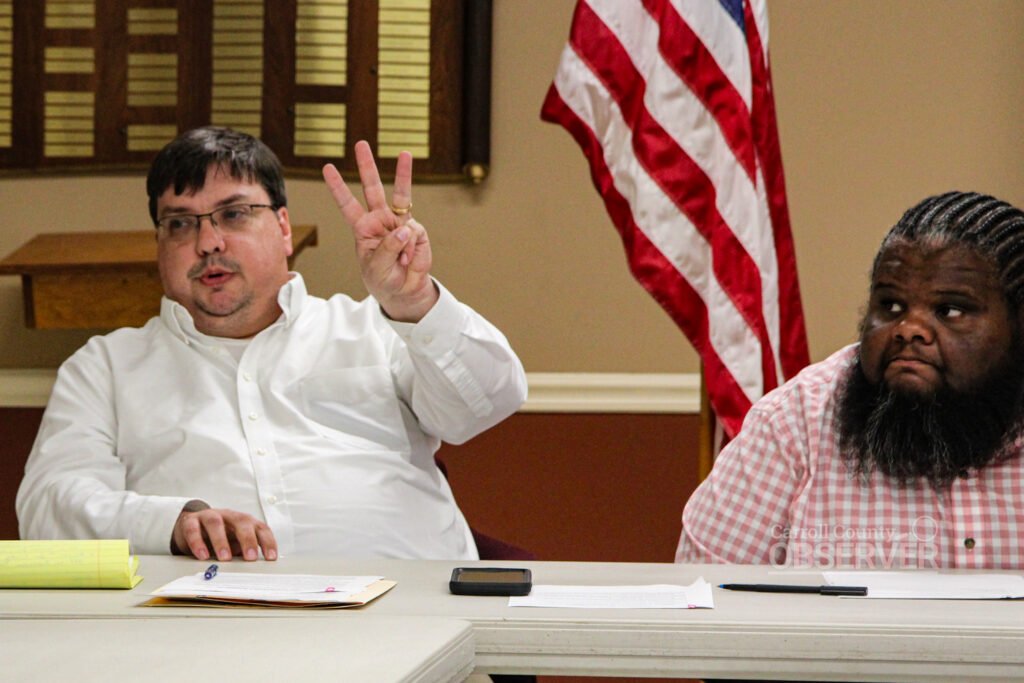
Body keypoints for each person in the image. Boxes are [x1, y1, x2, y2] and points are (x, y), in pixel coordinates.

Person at [16, 126, 527, 562]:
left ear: (283, 228)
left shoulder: (375, 328)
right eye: (180, 224)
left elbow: (486, 404)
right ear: (160, 247)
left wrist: (414, 301)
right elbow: (48, 508)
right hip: (202, 641)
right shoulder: (105, 367)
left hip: (409, 630)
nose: (208, 242)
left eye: (233, 214)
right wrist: (171, 523)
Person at [678, 190, 1024, 570]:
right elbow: (704, 604)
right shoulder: (795, 422)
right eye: (891, 305)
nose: (909, 329)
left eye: (950, 310)